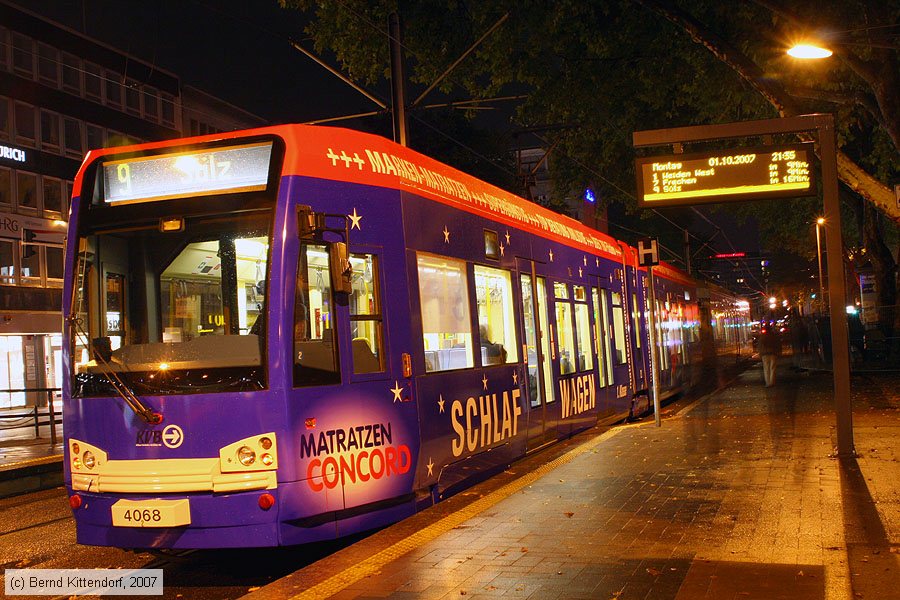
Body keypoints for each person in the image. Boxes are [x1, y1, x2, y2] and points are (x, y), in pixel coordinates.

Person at [759, 318, 781, 387]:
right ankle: (772, 382)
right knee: (773, 368)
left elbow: (760, 346)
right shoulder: (774, 335)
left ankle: (767, 383)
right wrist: (779, 352)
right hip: (773, 353)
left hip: (765, 354)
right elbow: (778, 344)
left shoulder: (762, 337)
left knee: (766, 368)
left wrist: (760, 353)